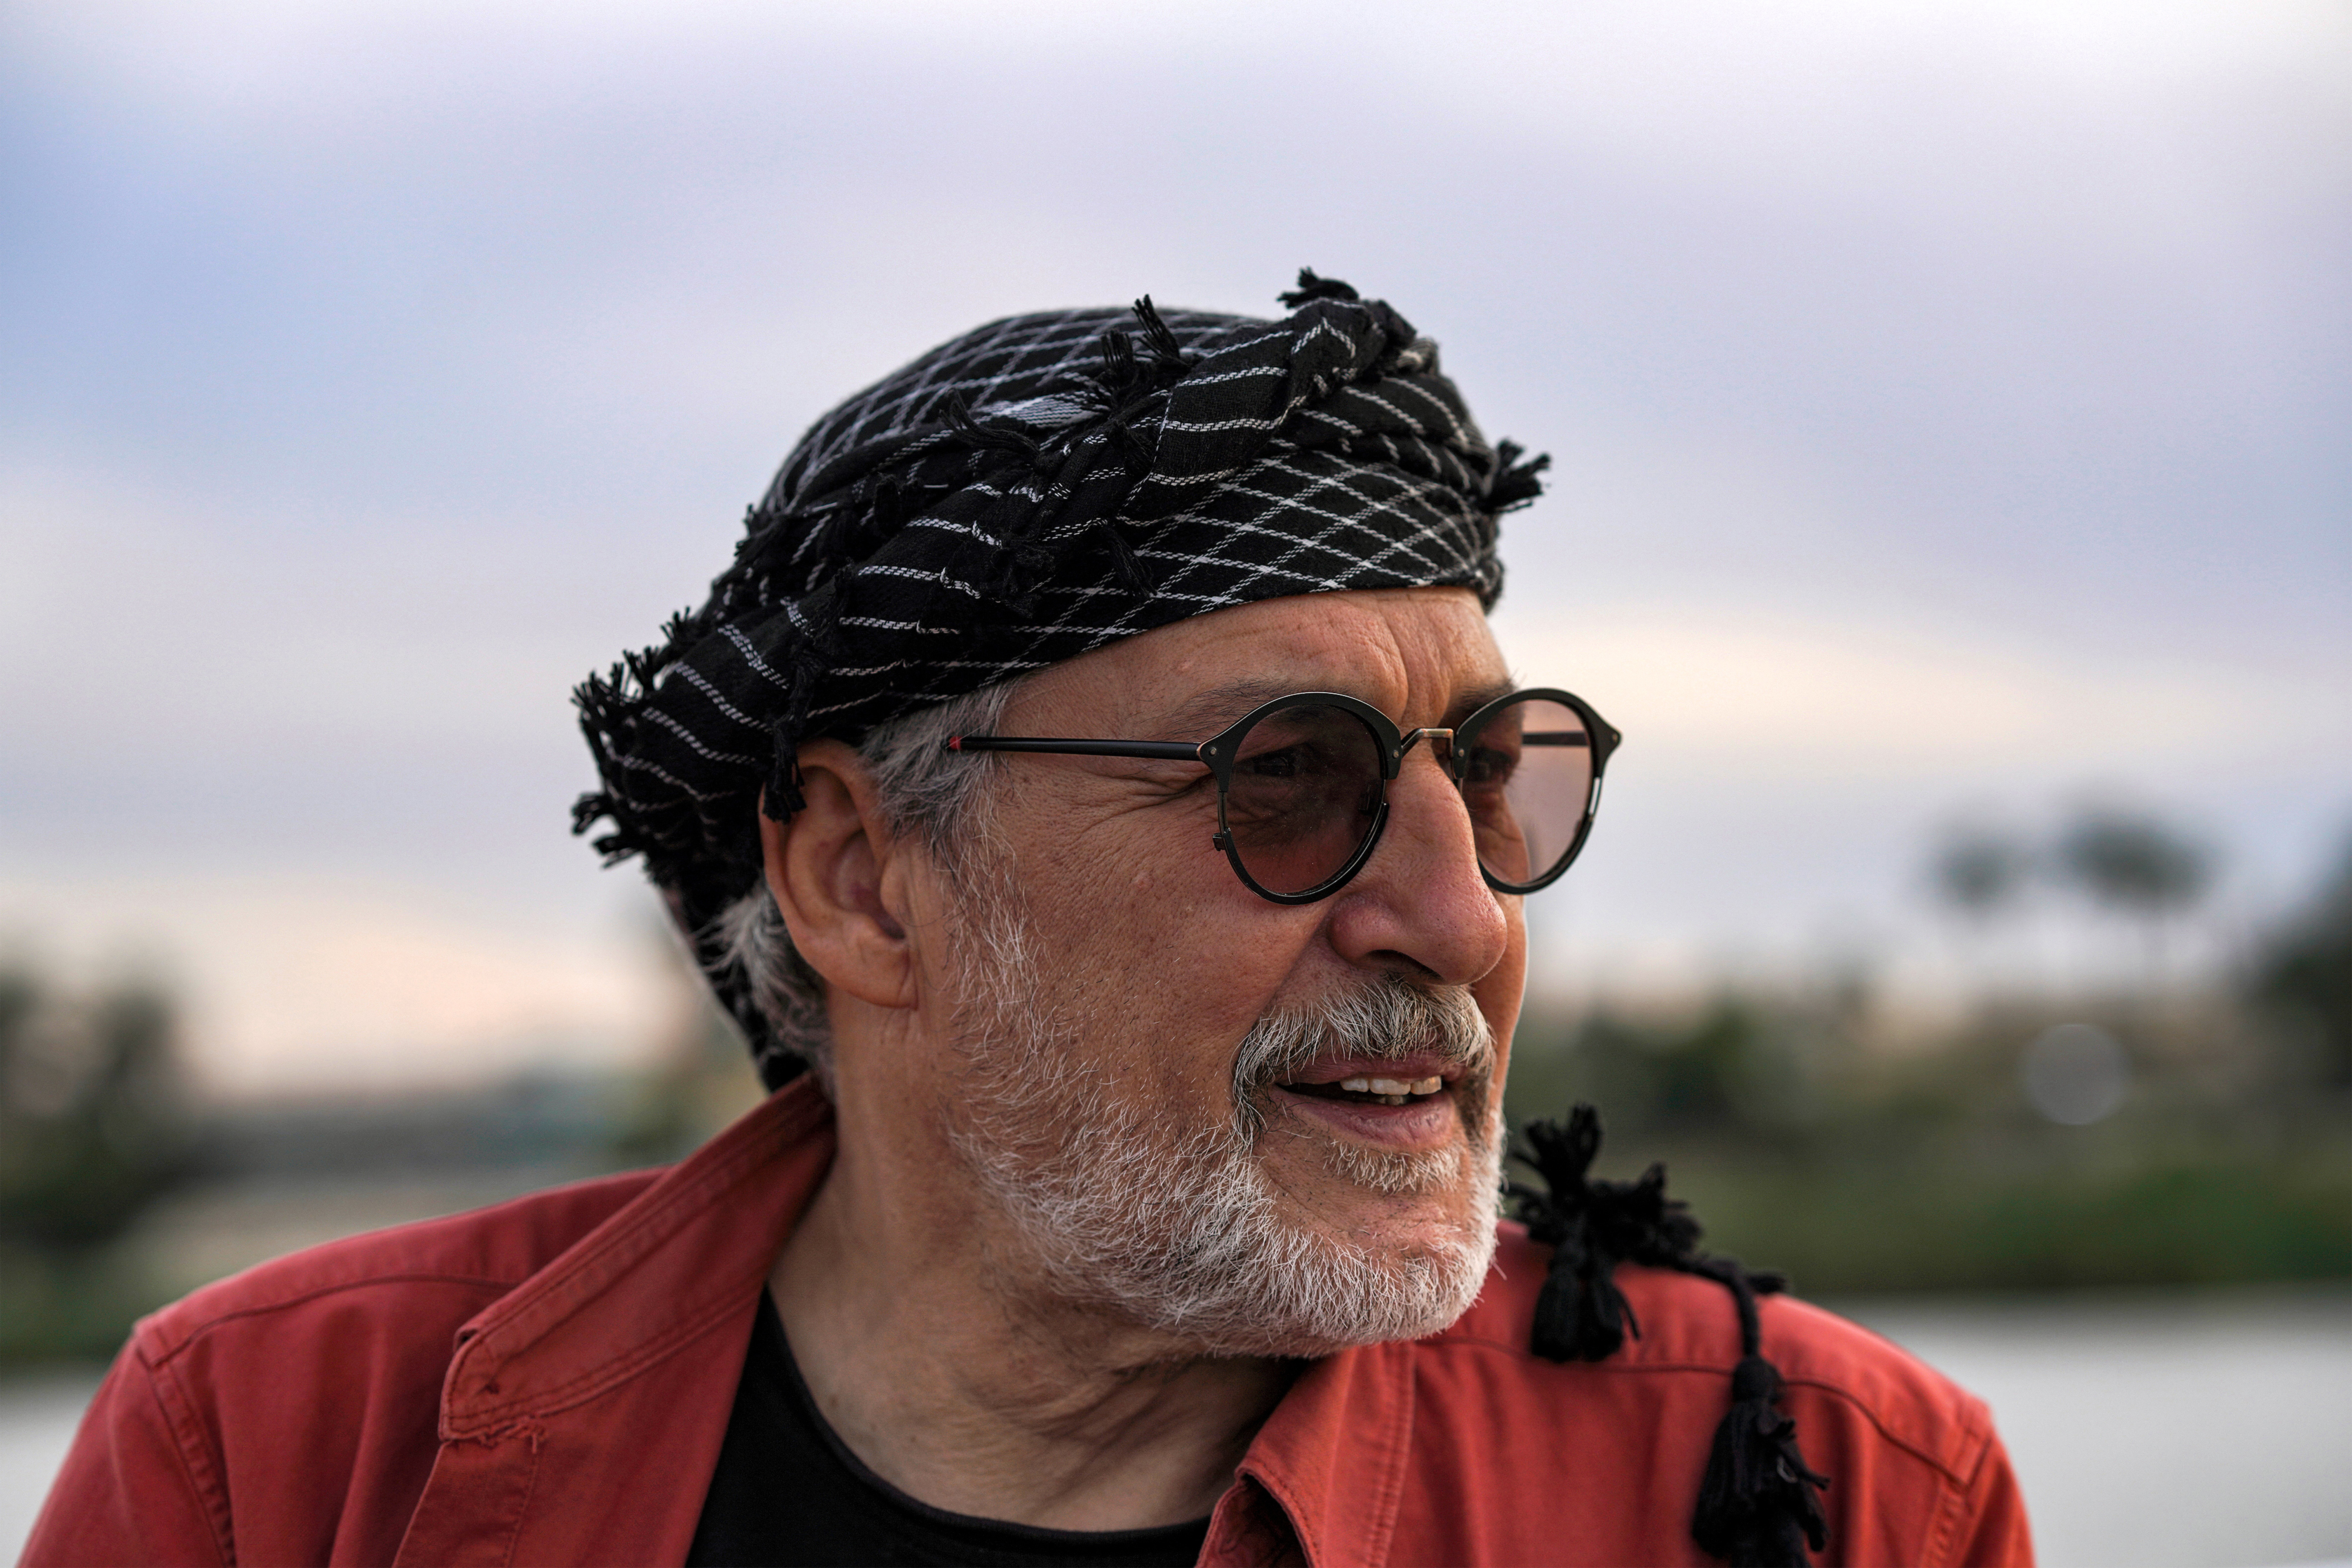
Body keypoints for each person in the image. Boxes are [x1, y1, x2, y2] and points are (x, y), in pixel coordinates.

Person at [26, 272, 2030, 1567]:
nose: (1455, 916)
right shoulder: (282, 1463)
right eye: (1290, 782)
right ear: (858, 876)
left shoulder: (1823, 1497)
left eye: (1495, 778)